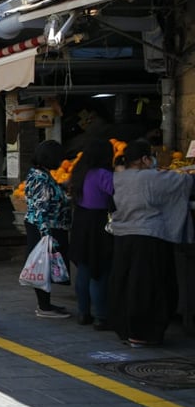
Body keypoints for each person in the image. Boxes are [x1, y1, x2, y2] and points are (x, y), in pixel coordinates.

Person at [109, 140, 195, 347]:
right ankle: (143, 332)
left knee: (126, 285)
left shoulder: (120, 176)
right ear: (144, 159)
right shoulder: (149, 177)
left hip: (123, 236)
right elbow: (184, 183)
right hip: (147, 237)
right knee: (149, 286)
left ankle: (127, 330)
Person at [69, 139, 116, 329]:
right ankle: (101, 316)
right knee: (99, 270)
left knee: (84, 269)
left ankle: (83, 313)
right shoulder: (103, 174)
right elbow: (117, 192)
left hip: (81, 222)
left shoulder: (79, 172)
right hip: (98, 224)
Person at [24, 140, 71, 319]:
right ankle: (44, 307)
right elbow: (39, 208)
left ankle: (45, 304)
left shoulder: (40, 174)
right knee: (43, 265)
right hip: (45, 227)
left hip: (43, 226)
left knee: (45, 266)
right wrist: (46, 236)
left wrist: (61, 187)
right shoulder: (41, 177)